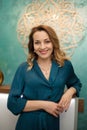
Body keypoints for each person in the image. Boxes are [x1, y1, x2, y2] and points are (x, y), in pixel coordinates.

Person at [7, 25, 82, 130]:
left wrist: (69, 92)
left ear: (53, 43)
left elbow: (76, 83)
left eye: (47, 41)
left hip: (51, 124)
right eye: (37, 42)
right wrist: (44, 105)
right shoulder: (23, 69)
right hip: (27, 124)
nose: (42, 47)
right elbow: (12, 103)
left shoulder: (65, 66)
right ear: (32, 46)